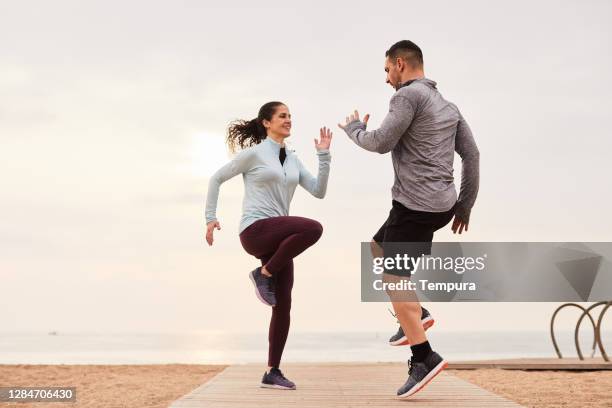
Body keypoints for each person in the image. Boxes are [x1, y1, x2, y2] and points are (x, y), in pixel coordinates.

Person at [338, 40, 480, 398]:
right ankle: (414, 314)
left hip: (415, 205)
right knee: (377, 246)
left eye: (387, 70)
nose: (386, 79)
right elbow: (472, 155)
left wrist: (354, 129)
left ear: (400, 64)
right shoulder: (447, 104)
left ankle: (424, 356)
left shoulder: (406, 97)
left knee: (392, 275)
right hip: (442, 204)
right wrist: (464, 205)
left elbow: (381, 142)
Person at [205, 101, 332, 390]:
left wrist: (323, 156)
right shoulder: (254, 154)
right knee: (313, 228)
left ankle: (272, 371)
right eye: (282, 116)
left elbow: (319, 191)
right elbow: (217, 178)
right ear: (266, 122)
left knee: (283, 305)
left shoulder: (292, 158)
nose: (288, 120)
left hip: (280, 241)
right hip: (256, 230)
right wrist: (210, 218)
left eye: (290, 116)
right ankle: (263, 274)